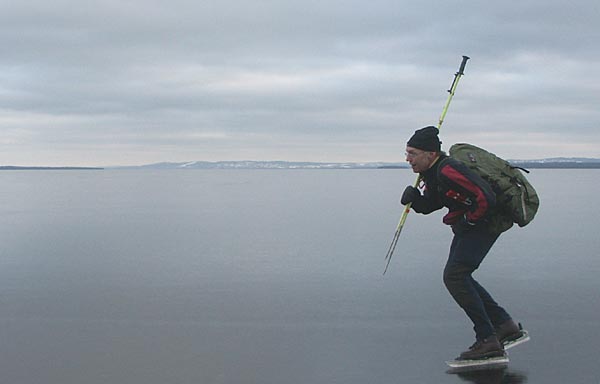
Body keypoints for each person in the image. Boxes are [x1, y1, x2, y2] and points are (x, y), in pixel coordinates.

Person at [400, 126, 525, 361]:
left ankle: (488, 340)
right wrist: (414, 201)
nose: (408, 159)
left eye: (413, 153)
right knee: (459, 275)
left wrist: (469, 221)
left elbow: (485, 197)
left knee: (456, 276)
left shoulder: (448, 169)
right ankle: (504, 325)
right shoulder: (433, 172)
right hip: (472, 225)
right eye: (406, 153)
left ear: (430, 153)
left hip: (487, 223)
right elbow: (431, 204)